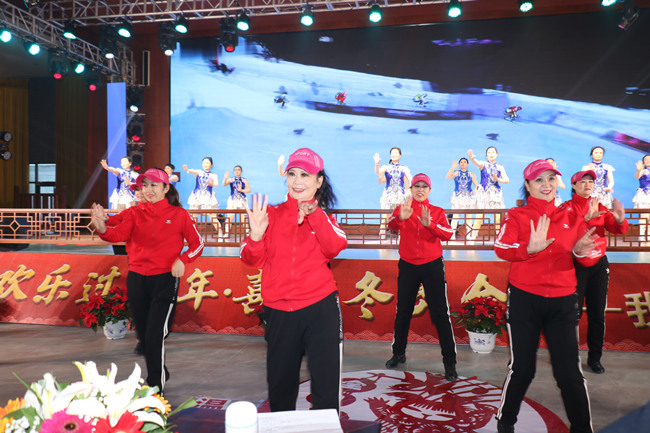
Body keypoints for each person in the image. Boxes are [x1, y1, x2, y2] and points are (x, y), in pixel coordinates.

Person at [493, 159, 599, 433]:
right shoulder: (517, 215)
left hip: (563, 302)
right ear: (528, 185)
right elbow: (501, 247)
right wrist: (528, 248)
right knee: (523, 369)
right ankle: (506, 421)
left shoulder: (571, 217)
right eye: (539, 179)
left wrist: (581, 252)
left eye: (551, 178)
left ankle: (582, 428)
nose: (546, 184)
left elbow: (586, 257)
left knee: (569, 374)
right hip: (525, 299)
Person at [241, 148, 347, 412]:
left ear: (319, 181)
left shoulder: (325, 218)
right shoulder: (271, 215)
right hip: (278, 312)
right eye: (292, 174)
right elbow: (250, 259)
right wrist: (256, 236)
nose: (297, 181)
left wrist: (314, 214)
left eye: (305, 175)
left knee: (326, 389)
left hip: (319, 309)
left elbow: (335, 246)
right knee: (280, 389)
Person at [90, 168, 204, 393]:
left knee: (155, 334)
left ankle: (155, 387)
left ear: (165, 188)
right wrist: (102, 228)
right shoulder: (134, 213)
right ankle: (160, 370)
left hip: (165, 279)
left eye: (154, 185)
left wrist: (182, 260)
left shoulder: (179, 215)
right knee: (143, 336)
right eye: (145, 185)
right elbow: (117, 234)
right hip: (137, 279)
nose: (148, 190)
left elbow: (197, 243)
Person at [384, 173, 458, 381]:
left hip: (432, 265)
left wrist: (430, 224)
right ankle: (398, 353)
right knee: (403, 311)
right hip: (408, 265)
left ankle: (450, 363)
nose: (420, 189)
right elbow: (391, 225)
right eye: (416, 186)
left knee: (440, 314)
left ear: (429, 190)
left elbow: (447, 233)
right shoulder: (403, 208)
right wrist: (401, 218)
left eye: (424, 186)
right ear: (411, 189)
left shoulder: (437, 211)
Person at [561, 170, 628, 374]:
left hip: (598, 265)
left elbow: (617, 229)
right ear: (573, 185)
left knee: (597, 314)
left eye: (591, 181)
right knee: (572, 315)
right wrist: (585, 219)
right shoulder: (566, 208)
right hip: (575, 265)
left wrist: (619, 220)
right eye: (583, 181)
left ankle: (595, 358)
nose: (588, 184)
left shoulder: (599, 206)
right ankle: (569, 360)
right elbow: (562, 235)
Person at [468, 146, 509, 240]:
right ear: (486, 156)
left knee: (498, 217)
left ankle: (499, 238)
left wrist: (498, 179)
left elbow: (507, 180)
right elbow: (477, 163)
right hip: (484, 193)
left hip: (495, 194)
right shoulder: (483, 164)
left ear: (496, 154)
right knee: (480, 216)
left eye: (493, 152)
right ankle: (473, 237)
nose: (491, 154)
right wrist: (472, 159)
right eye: (489, 153)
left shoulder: (500, 167)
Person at [373, 147, 412, 237]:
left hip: (400, 195)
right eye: (392, 153)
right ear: (390, 155)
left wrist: (409, 191)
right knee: (385, 215)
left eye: (396, 153)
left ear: (400, 155)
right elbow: (378, 172)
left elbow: (411, 179)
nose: (394, 154)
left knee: (401, 215)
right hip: (388, 195)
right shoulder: (386, 167)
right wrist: (377, 164)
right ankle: (382, 234)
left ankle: (401, 235)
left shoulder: (404, 168)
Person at [184, 157, 221, 234]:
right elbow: (193, 171)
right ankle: (191, 234)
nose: (205, 164)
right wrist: (187, 170)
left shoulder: (213, 175)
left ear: (211, 164)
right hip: (197, 196)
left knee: (212, 217)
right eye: (204, 163)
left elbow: (216, 184)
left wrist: (211, 183)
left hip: (208, 197)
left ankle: (220, 233)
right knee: (193, 216)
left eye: (207, 163)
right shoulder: (199, 172)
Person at [445, 158, 478, 240]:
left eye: (464, 162)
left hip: (468, 197)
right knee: (455, 216)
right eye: (461, 162)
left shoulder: (471, 174)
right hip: (458, 196)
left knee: (468, 217)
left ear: (467, 164)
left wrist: (475, 190)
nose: (463, 163)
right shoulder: (456, 173)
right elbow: (447, 176)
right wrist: (452, 167)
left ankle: (469, 235)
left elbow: (477, 185)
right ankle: (452, 234)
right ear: (459, 164)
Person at [222, 165, 251, 237]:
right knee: (230, 217)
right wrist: (225, 178)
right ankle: (226, 233)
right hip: (233, 199)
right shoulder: (231, 179)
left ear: (241, 171)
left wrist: (241, 190)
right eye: (235, 170)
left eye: (238, 170)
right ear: (234, 171)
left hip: (242, 200)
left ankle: (248, 233)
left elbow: (248, 190)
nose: (237, 171)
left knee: (243, 217)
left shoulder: (244, 180)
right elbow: (224, 184)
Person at [633, 155, 650, 239]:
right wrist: (638, 170)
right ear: (643, 162)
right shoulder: (643, 171)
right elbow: (637, 177)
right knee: (644, 216)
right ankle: (642, 235)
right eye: (646, 160)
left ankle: (649, 235)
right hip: (644, 195)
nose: (648, 161)